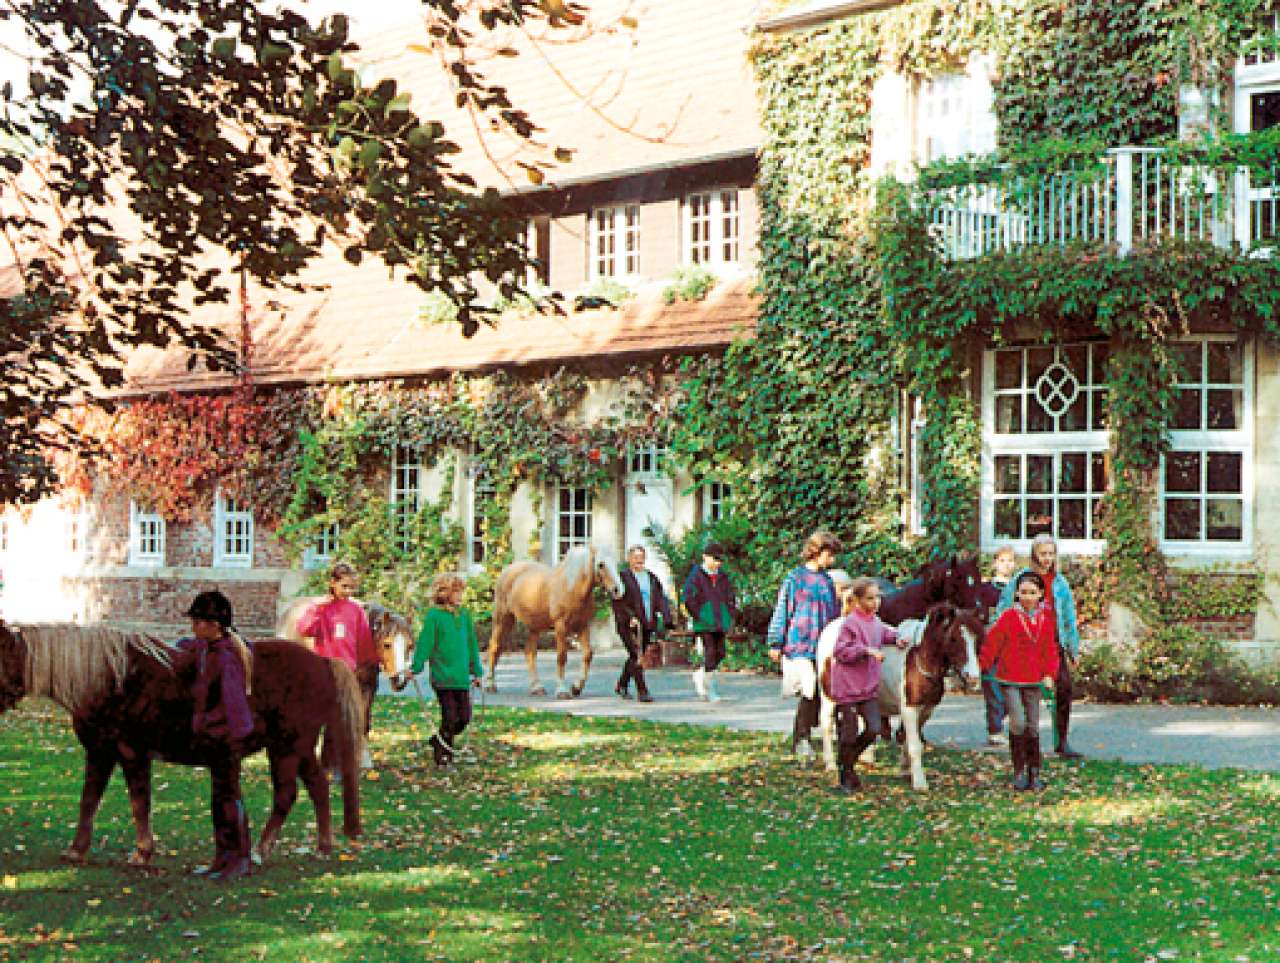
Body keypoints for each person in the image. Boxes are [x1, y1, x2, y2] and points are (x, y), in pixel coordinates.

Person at [175, 589, 255, 881]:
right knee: (218, 798)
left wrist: (230, 733)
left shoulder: (226, 658)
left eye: (198, 622)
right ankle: (222, 858)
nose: (194, 627)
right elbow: (190, 645)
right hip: (214, 735)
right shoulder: (208, 649)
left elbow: (234, 700)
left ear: (215, 624)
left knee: (229, 798)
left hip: (225, 737)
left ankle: (240, 858)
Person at [996, 533, 1083, 759]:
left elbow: (1068, 618)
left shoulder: (1060, 583)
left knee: (1064, 688)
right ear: (1034, 555)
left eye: (1050, 554)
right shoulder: (1021, 580)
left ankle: (1061, 741)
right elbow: (1003, 610)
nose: (1047, 558)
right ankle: (1022, 740)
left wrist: (1073, 648)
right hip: (1026, 644)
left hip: (1053, 644)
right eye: (1042, 554)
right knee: (1025, 693)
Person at [296, 561, 378, 769]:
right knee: (320, 718)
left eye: (352, 587)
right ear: (333, 583)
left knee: (341, 720)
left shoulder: (355, 610)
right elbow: (305, 629)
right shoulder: (322, 608)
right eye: (344, 586)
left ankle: (334, 763)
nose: (348, 591)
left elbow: (364, 640)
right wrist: (317, 609)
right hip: (325, 669)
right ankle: (309, 759)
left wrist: (370, 664)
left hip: (347, 672)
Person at [766, 530, 842, 758]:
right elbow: (783, 609)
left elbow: (835, 614)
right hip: (800, 644)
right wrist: (775, 641)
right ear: (817, 552)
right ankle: (801, 738)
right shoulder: (795, 579)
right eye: (830, 555)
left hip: (822, 646)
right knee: (808, 688)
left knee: (821, 692)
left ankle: (813, 730)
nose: (832, 560)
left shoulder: (828, 581)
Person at [981, 571, 1060, 791]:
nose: (1027, 597)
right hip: (1010, 678)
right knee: (1018, 722)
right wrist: (983, 665)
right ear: (1016, 593)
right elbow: (992, 643)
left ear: (1041, 594)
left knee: (1033, 726)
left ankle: (1034, 772)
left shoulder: (1046, 620)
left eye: (1032, 593)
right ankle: (1018, 771)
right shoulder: (1008, 617)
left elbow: (1050, 650)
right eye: (1023, 592)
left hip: (1034, 680)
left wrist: (1049, 674)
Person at [829, 577, 902, 793]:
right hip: (848, 689)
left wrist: (897, 638)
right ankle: (846, 775)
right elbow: (840, 651)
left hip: (868, 689)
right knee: (848, 734)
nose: (876, 602)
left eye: (878, 597)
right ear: (858, 600)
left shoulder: (875, 621)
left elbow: (884, 633)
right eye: (870, 598)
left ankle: (848, 762)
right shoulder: (850, 623)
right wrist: (865, 651)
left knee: (874, 728)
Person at [411, 573, 483, 767]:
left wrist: (477, 672)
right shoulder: (434, 616)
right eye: (456, 592)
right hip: (443, 677)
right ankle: (443, 755)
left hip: (461, 677)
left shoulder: (465, 615)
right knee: (450, 716)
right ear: (444, 593)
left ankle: (439, 739)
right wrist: (415, 667)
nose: (460, 596)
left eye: (461, 592)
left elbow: (471, 644)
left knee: (464, 718)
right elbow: (426, 644)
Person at [611, 544, 673, 703]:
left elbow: (660, 598)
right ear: (629, 559)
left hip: (646, 622)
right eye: (635, 557)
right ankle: (642, 690)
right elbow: (618, 601)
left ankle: (622, 684)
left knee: (636, 655)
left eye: (641, 557)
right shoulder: (622, 577)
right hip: (628, 624)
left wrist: (666, 617)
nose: (639, 560)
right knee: (636, 655)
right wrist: (630, 616)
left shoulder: (651, 577)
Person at [681, 542, 739, 702]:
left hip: (720, 620)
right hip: (704, 622)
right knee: (710, 652)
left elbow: (730, 596)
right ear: (705, 557)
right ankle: (709, 688)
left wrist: (730, 613)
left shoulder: (723, 576)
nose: (717, 563)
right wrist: (699, 614)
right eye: (714, 559)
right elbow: (688, 597)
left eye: (720, 560)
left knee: (721, 653)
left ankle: (701, 675)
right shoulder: (696, 575)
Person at [977, 545, 1016, 747]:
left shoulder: (1018, 589)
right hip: (991, 643)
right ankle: (995, 729)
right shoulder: (986, 590)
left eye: (1010, 561)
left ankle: (1006, 722)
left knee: (1011, 686)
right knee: (992, 687)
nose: (1006, 565)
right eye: (1002, 561)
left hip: (1012, 645)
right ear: (995, 563)